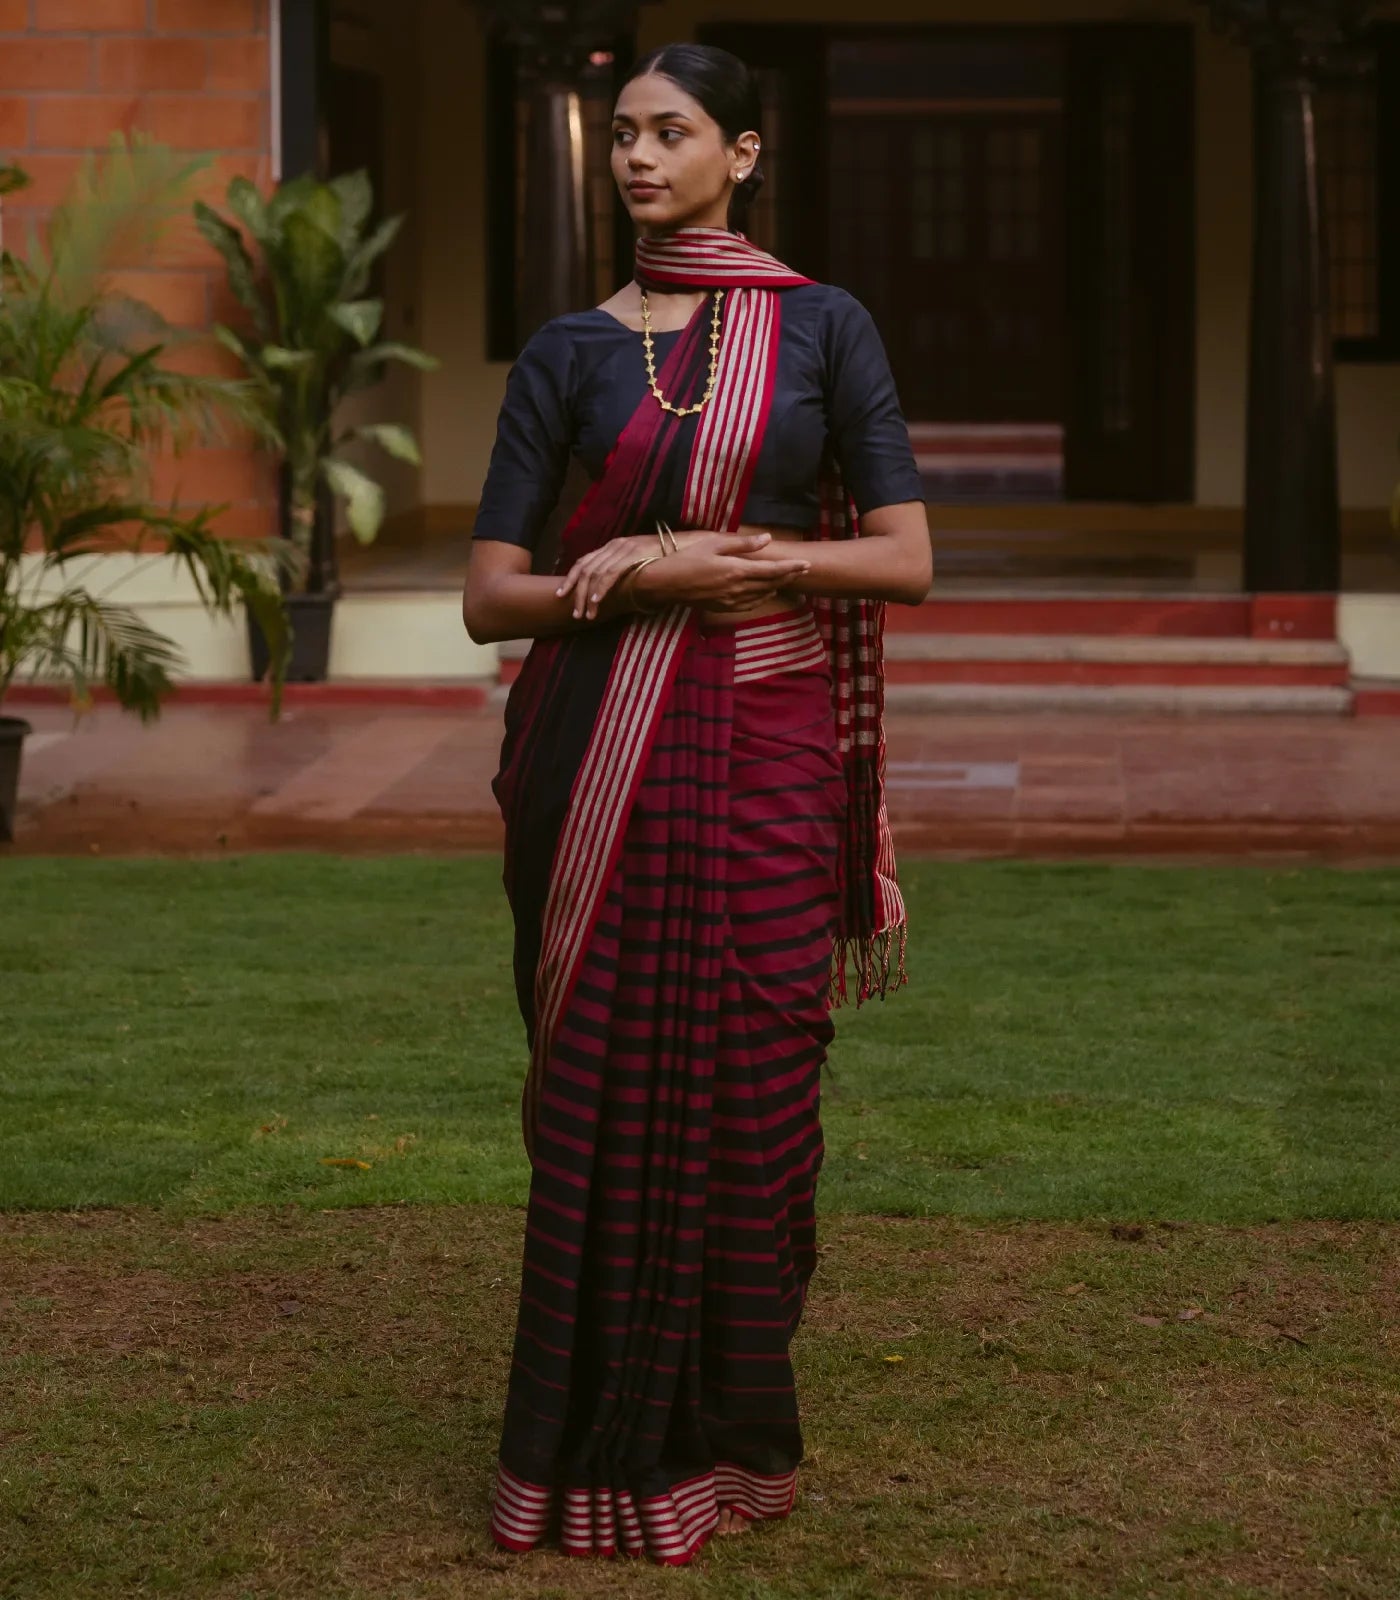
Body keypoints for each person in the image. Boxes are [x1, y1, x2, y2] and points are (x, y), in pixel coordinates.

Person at [461, 39, 932, 1569]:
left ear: (744, 152)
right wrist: (624, 591)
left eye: (671, 133)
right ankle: (581, 1445)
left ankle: (739, 1427)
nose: (638, 159)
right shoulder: (568, 353)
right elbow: (490, 599)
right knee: (600, 1083)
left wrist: (732, 560)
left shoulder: (825, 331)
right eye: (621, 135)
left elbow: (906, 559)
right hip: (596, 751)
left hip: (771, 745)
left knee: (757, 1090)